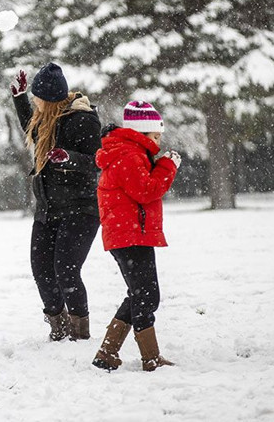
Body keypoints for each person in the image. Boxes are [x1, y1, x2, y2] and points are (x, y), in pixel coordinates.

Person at [10, 63, 101, 342]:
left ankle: (79, 332)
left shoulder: (83, 120)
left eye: (38, 98)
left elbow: (97, 161)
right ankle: (58, 327)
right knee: (41, 270)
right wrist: (19, 98)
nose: (35, 103)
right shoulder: (45, 117)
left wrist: (69, 158)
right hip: (48, 208)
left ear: (51, 100)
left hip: (80, 208)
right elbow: (33, 128)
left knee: (66, 270)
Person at [91, 100, 181, 372]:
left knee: (141, 293)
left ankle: (107, 354)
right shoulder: (129, 155)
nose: (159, 140)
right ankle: (150, 358)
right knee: (146, 295)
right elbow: (146, 190)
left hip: (130, 233)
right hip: (129, 234)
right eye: (156, 135)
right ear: (141, 133)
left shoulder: (131, 152)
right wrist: (168, 166)